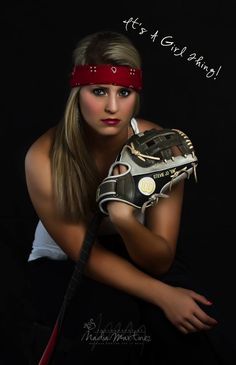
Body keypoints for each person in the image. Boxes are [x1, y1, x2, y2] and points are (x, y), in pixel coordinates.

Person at [25, 30, 234, 365]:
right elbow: (84, 255)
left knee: (193, 334)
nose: (112, 106)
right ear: (77, 93)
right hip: (65, 262)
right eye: (98, 91)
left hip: (135, 248)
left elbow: (160, 260)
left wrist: (123, 217)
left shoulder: (163, 147)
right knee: (111, 332)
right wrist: (163, 295)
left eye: (124, 92)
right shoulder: (44, 156)